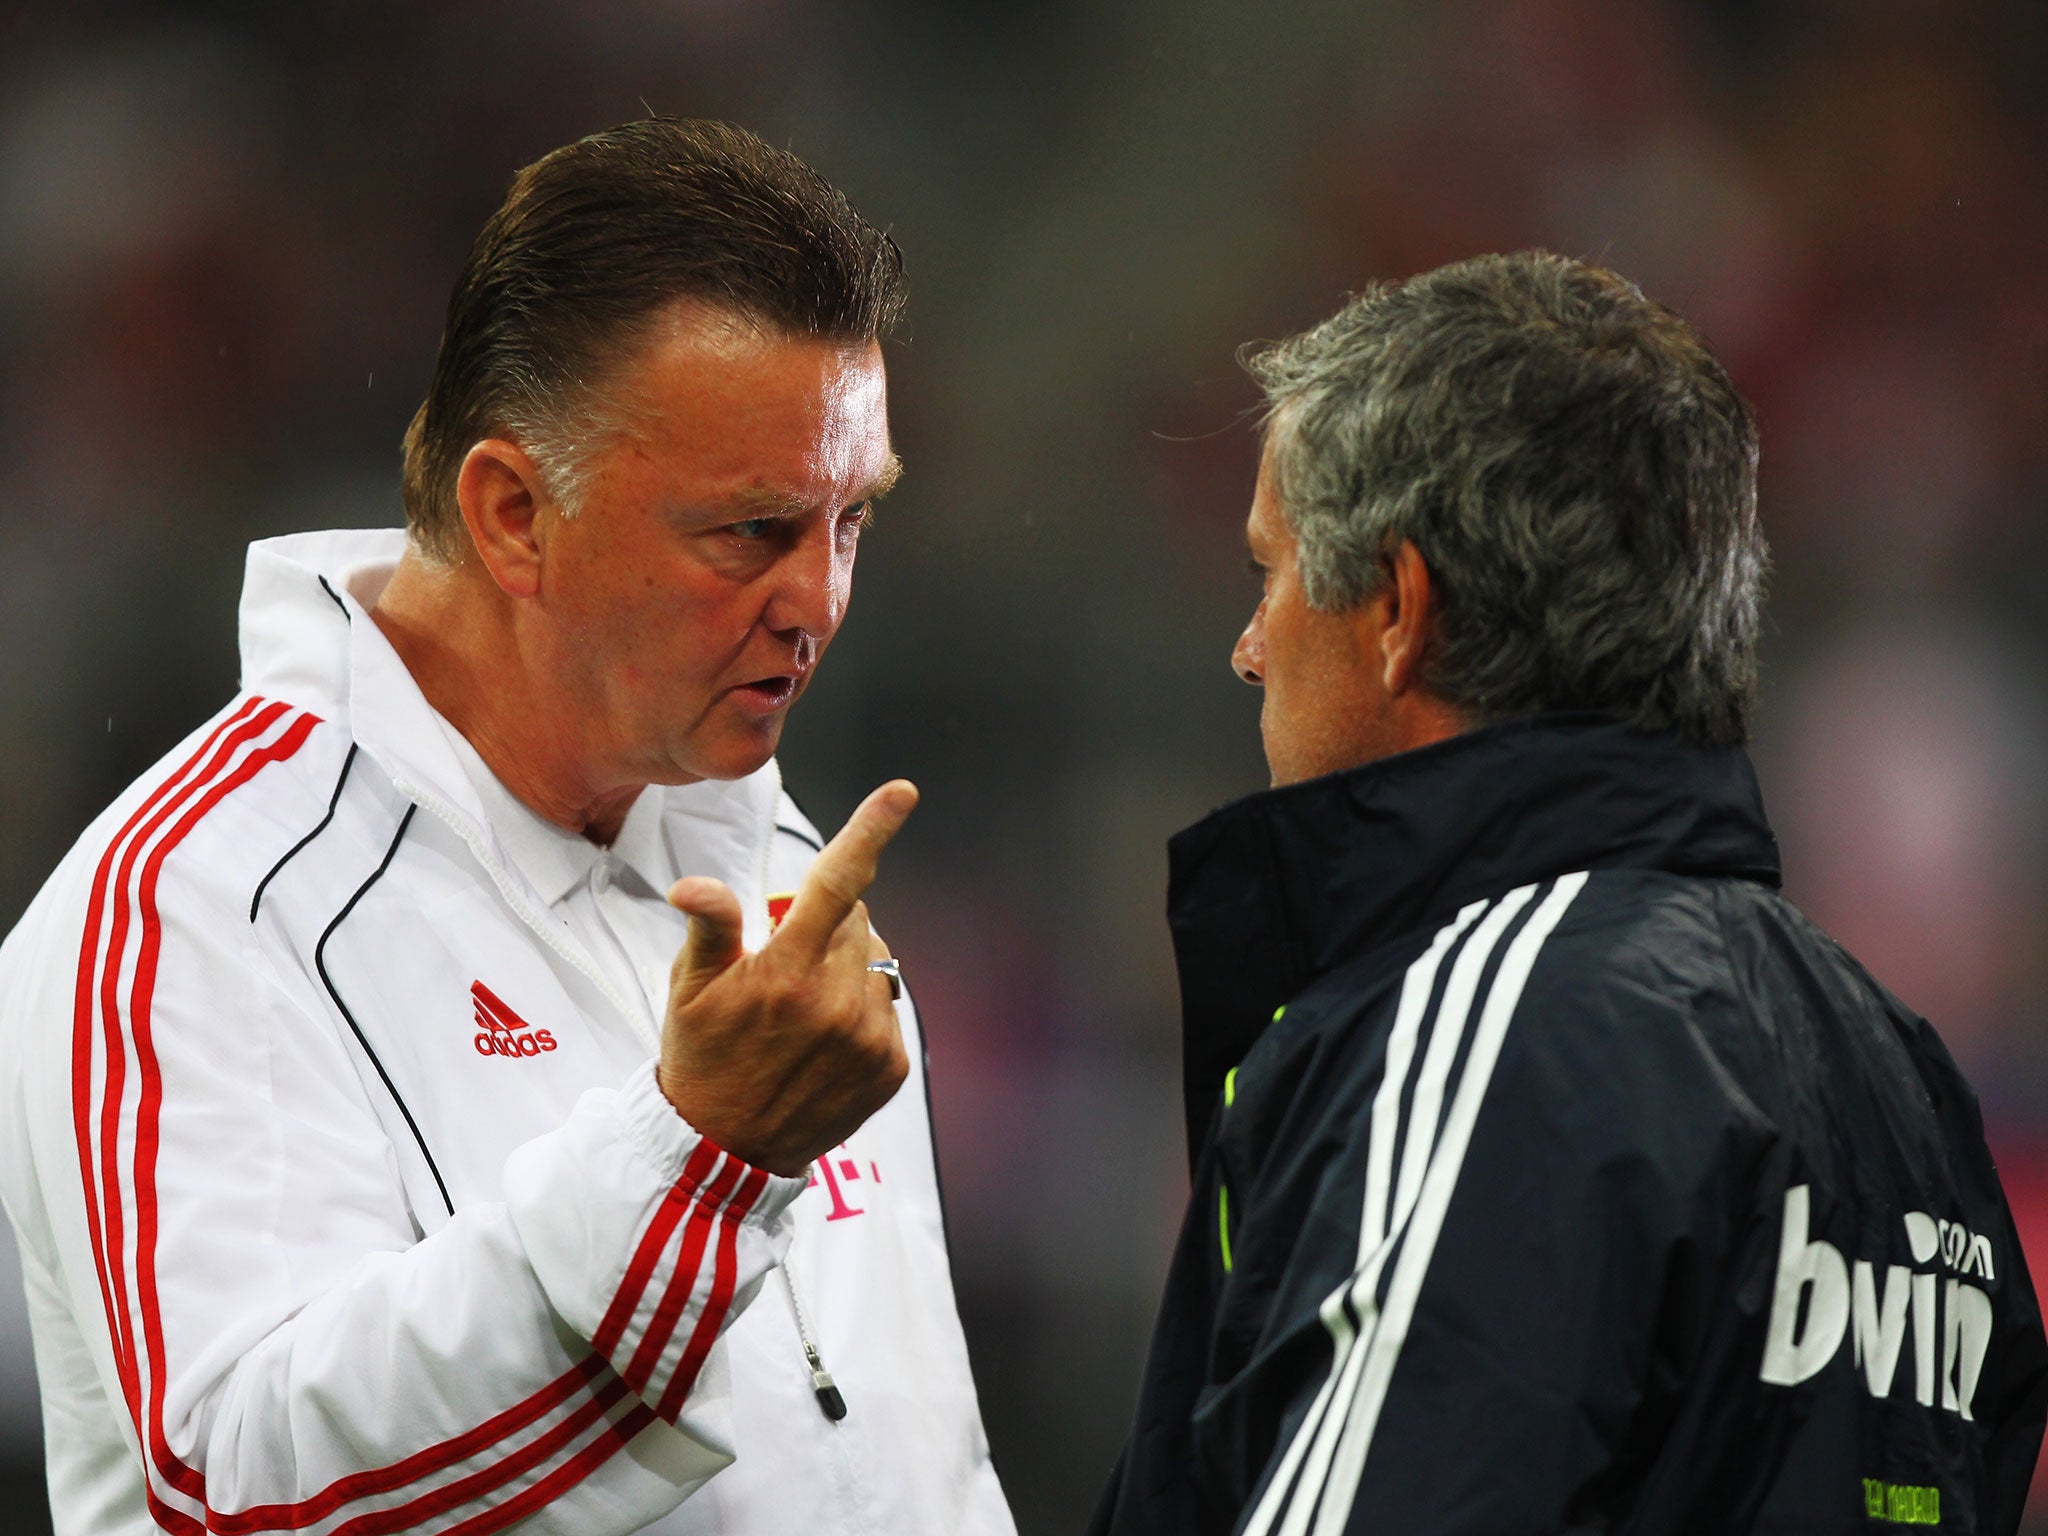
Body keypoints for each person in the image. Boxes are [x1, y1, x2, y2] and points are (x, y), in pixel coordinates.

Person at [0, 118, 1013, 1535]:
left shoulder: (779, 863)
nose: (821, 603)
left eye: (853, 522)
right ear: (514, 514)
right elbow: (229, 1492)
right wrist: (699, 1169)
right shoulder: (196, 902)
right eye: (753, 532)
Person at [1090, 251, 2048, 1534]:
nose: (1246, 647)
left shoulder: (1492, 1033)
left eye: (1267, 572)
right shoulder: (1903, 1080)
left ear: (1395, 609)